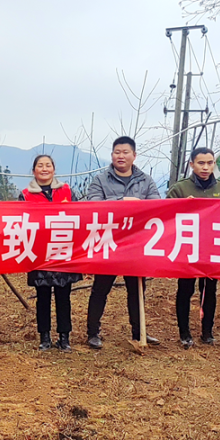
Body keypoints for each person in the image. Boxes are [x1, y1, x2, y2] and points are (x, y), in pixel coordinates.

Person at [84, 135, 161, 348]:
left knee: (136, 289)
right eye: (117, 152)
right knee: (101, 288)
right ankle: (92, 333)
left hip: (136, 244)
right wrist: (121, 202)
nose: (121, 156)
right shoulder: (101, 180)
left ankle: (139, 332)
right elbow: (93, 204)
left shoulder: (145, 181)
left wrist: (139, 205)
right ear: (112, 155)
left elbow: (157, 206)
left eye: (125, 152)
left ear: (134, 156)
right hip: (108, 241)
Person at [166, 147, 220, 348]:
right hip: (187, 247)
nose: (205, 167)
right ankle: (184, 333)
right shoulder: (180, 189)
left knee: (209, 290)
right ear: (191, 164)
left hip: (213, 247)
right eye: (201, 163)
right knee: (185, 290)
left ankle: (207, 332)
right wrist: (181, 206)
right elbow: (164, 215)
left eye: (210, 163)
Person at [20, 154, 81, 352]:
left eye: (48, 165)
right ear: (33, 170)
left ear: (54, 169)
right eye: (40, 165)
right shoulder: (25, 194)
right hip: (38, 251)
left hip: (64, 249)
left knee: (64, 296)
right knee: (42, 296)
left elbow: (82, 214)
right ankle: (44, 336)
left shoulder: (67, 191)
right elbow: (19, 221)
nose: (44, 169)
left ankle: (64, 336)